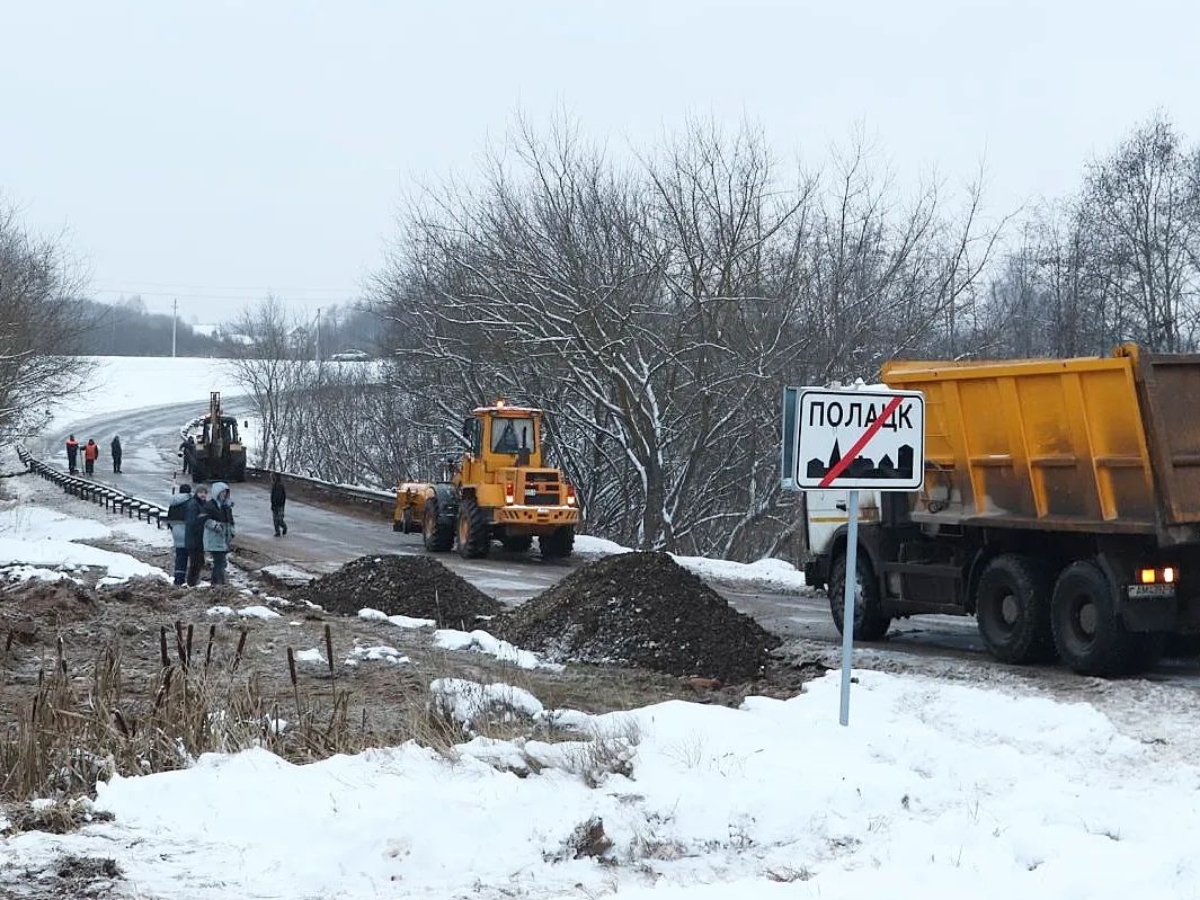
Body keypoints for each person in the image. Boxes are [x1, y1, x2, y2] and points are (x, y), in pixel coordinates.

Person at [202, 481, 235, 585]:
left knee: (220, 562)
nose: (224, 495)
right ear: (217, 493)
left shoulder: (226, 507)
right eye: (222, 492)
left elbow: (230, 521)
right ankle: (219, 584)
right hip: (214, 538)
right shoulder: (210, 505)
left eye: (226, 493)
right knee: (220, 561)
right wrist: (215, 525)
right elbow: (204, 519)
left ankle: (216, 583)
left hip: (224, 538)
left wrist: (232, 531)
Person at [184, 483, 210, 586]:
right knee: (195, 563)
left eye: (205, 492)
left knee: (199, 562)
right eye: (201, 492)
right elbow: (192, 522)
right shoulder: (193, 504)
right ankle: (191, 583)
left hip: (200, 539)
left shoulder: (204, 504)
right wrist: (203, 518)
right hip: (193, 539)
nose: (203, 495)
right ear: (197, 493)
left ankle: (194, 582)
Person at [166, 484, 192, 586]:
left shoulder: (173, 502)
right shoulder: (190, 502)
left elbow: (169, 518)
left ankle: (178, 579)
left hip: (176, 531)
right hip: (188, 531)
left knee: (180, 556)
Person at [270, 472, 288, 537]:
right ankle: (277, 532)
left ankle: (284, 527)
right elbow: (272, 496)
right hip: (274, 505)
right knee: (275, 520)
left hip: (280, 505)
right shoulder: (273, 486)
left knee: (279, 520)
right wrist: (272, 504)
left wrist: (282, 504)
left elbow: (283, 496)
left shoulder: (280, 486)